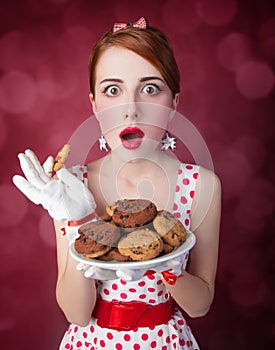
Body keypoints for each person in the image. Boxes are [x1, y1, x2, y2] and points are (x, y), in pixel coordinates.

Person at [13, 17, 221, 350]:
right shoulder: (71, 185)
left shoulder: (201, 186)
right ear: (94, 104)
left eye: (150, 89)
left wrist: (169, 267)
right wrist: (79, 223)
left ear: (174, 104)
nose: (131, 109)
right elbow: (77, 313)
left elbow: (200, 304)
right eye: (113, 90)